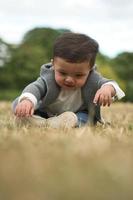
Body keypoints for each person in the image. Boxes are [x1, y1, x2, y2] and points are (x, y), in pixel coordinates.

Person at [12, 32, 125, 128]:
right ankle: (41, 121)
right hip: (46, 112)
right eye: (63, 73)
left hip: (77, 113)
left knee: (85, 119)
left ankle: (56, 123)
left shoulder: (93, 78)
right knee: (33, 111)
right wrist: (27, 100)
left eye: (78, 75)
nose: (69, 79)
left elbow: (111, 83)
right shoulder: (48, 78)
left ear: (89, 70)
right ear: (53, 65)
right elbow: (35, 87)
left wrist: (107, 89)